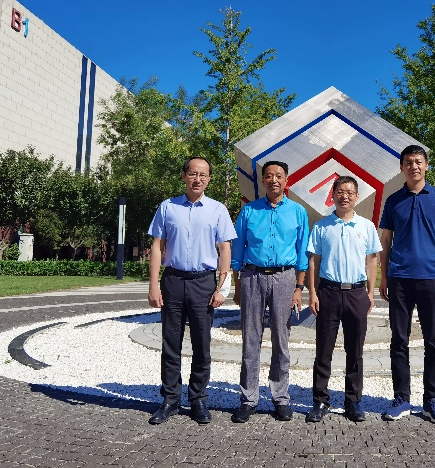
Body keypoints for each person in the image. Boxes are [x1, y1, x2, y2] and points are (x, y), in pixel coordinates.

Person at [147, 156, 236, 425]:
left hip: (203, 283)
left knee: (202, 344)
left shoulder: (218, 209)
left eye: (203, 175)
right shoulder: (167, 207)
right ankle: (170, 399)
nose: (198, 179)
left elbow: (225, 249)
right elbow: (157, 247)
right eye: (193, 174)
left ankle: (198, 399)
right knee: (170, 344)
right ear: (184, 176)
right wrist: (153, 284)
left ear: (209, 179)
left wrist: (223, 288)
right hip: (173, 281)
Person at [378, 145, 435, 424]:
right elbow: (386, 240)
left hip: (431, 277)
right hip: (399, 278)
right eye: (409, 162)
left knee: (433, 341)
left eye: (419, 161)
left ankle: (432, 399)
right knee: (399, 340)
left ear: (426, 166)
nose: (414, 166)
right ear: (402, 167)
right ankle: (401, 398)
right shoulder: (393, 200)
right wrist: (384, 276)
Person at [230, 160, 309, 423]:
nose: (274, 180)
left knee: (281, 340)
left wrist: (299, 288)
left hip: (285, 278)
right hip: (252, 276)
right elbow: (238, 249)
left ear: (286, 180)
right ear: (263, 180)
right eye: (269, 176)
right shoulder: (249, 211)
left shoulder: (298, 212)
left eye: (279, 176)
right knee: (250, 339)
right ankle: (248, 399)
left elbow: (302, 252)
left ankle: (280, 398)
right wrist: (238, 287)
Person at [305, 176, 382, 423]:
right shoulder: (322, 226)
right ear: (333, 195)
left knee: (355, 350)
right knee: (323, 349)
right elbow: (313, 261)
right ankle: (320, 400)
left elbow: (372, 260)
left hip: (357, 293)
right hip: (328, 292)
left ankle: (353, 401)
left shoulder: (366, 226)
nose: (344, 196)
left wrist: (370, 293)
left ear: (357, 196)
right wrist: (313, 292)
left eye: (349, 192)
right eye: (340, 191)